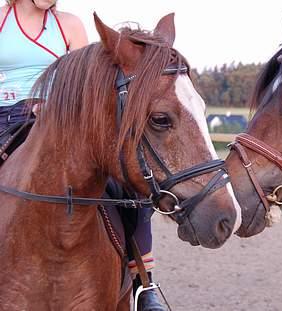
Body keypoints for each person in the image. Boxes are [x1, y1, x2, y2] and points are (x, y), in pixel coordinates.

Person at [0, 1, 165, 309]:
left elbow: (84, 78)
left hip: (56, 118)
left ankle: (145, 283)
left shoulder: (69, 24)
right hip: (3, 117)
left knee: (127, 180)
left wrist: (54, 106)